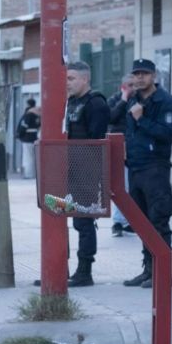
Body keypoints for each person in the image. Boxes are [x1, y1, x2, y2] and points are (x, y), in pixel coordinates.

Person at [123, 58, 172, 289]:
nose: (139, 78)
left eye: (144, 74)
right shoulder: (133, 100)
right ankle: (148, 270)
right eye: (136, 74)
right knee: (142, 222)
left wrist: (142, 119)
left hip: (155, 168)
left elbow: (166, 134)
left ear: (154, 76)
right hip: (135, 167)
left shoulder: (166, 102)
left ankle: (163, 274)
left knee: (159, 221)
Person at [64, 62, 111, 287]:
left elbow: (95, 142)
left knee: (84, 221)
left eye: (71, 78)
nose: (67, 83)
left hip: (86, 173)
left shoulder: (96, 104)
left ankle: (85, 271)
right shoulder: (72, 102)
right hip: (69, 170)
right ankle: (58, 268)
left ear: (85, 79)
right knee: (57, 214)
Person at [107, 74, 135, 236]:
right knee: (122, 186)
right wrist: (123, 100)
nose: (133, 88)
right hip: (118, 148)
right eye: (130, 85)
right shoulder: (115, 100)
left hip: (135, 148)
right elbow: (110, 117)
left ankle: (129, 221)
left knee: (133, 187)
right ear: (123, 86)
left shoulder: (140, 100)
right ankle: (118, 222)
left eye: (134, 85)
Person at [16, 98, 41, 179]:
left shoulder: (28, 114)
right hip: (35, 137)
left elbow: (23, 126)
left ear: (28, 105)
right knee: (33, 157)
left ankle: (29, 174)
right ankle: (34, 173)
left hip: (27, 138)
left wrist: (19, 134)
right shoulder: (38, 114)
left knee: (28, 157)